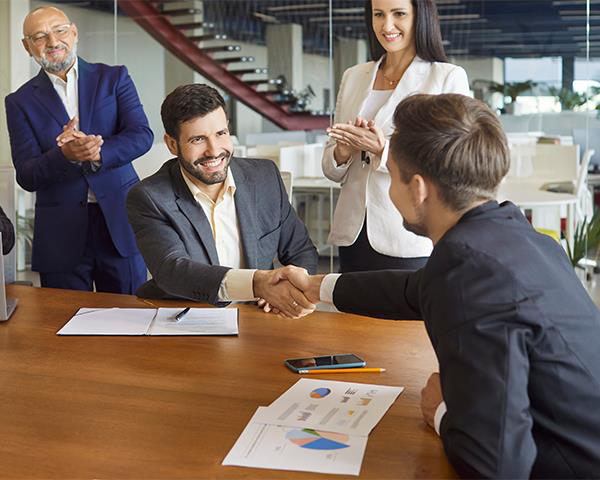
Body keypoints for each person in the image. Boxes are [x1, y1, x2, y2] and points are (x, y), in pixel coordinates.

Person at [283, 94, 600, 478]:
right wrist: (317, 286)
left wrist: (440, 412)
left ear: (418, 188)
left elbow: (496, 466)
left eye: (392, 175)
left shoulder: (467, 272)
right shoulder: (518, 237)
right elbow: (414, 290)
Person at [126, 84, 318, 318]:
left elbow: (301, 250)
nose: (214, 151)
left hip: (260, 316)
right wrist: (257, 284)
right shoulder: (150, 197)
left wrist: (290, 292)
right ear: (172, 144)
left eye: (221, 134)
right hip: (187, 317)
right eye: (198, 139)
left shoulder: (264, 176)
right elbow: (172, 270)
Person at [4, 6, 152, 293]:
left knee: (130, 322)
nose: (52, 41)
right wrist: (64, 156)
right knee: (64, 325)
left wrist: (98, 152)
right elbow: (27, 174)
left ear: (73, 33)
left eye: (59, 31)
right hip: (61, 235)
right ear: (27, 46)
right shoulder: (19, 102)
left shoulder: (114, 78)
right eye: (39, 36)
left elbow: (141, 135)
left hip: (119, 223)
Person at [323, 0, 470, 273]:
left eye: (398, 14)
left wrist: (383, 151)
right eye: (379, 14)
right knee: (349, 315)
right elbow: (332, 168)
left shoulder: (446, 78)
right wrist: (341, 152)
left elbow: (455, 164)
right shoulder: (354, 76)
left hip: (409, 232)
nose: (386, 25)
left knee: (405, 315)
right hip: (353, 233)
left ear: (420, 17)